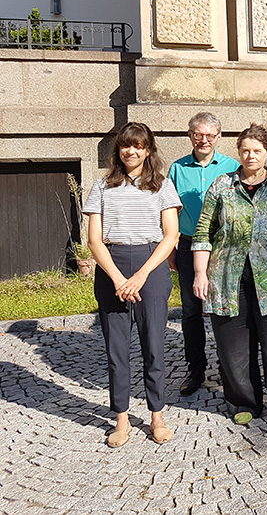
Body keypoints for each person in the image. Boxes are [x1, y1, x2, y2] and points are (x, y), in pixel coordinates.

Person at [192, 124, 267, 426]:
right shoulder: (222, 186)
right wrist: (200, 274)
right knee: (235, 348)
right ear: (238, 152)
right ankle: (243, 401)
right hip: (228, 279)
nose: (250, 155)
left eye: (257, 150)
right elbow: (204, 231)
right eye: (245, 150)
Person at [83, 122, 182, 447]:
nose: (131, 151)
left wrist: (139, 276)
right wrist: (118, 279)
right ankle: (121, 417)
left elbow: (171, 236)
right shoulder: (101, 187)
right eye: (126, 145)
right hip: (112, 266)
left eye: (138, 145)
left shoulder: (162, 186)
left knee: (154, 346)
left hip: (150, 267)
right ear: (118, 149)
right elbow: (94, 241)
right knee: (117, 351)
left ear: (148, 149)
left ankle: (156, 414)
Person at [168, 112, 237, 397]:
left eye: (210, 134)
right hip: (186, 245)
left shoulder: (232, 166)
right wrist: (169, 247)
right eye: (198, 134)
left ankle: (228, 367)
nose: (204, 139)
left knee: (225, 309)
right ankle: (195, 368)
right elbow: (169, 211)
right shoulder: (177, 168)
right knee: (191, 312)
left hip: (222, 248)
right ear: (190, 136)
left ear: (219, 137)